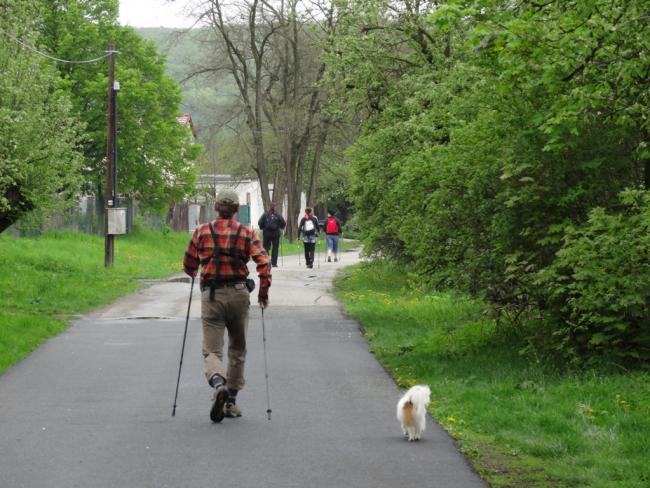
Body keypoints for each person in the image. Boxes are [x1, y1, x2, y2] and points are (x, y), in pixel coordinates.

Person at [183, 189, 271, 423]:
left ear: (215, 208)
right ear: (237, 210)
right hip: (239, 294)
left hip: (211, 295)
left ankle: (218, 383)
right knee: (237, 349)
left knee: (212, 350)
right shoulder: (247, 233)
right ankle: (230, 401)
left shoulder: (202, 231)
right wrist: (263, 292)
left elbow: (189, 263)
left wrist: (194, 270)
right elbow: (264, 261)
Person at [257, 202, 286, 267]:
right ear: (274, 207)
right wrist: (280, 227)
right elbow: (283, 223)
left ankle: (266, 261)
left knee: (266, 248)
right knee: (275, 248)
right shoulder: (278, 215)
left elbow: (259, 222)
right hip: (276, 234)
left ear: (269, 207)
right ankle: (274, 263)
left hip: (267, 234)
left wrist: (262, 227)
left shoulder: (265, 214)